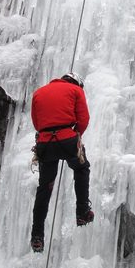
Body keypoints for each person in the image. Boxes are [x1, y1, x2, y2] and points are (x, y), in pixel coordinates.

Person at [30, 72, 94, 252]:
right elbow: (83, 119)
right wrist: (77, 135)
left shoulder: (39, 92)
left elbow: (36, 123)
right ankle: (82, 212)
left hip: (44, 143)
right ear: (77, 83)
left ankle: (37, 235)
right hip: (67, 139)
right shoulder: (76, 90)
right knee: (81, 168)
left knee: (45, 187)